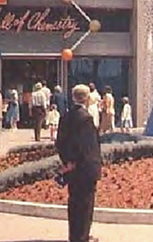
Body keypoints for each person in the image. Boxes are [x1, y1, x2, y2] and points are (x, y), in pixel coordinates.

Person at [56, 84, 103, 242]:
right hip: (85, 169)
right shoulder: (86, 119)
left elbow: (60, 143)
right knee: (86, 204)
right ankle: (82, 237)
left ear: (73, 97)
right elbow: (87, 146)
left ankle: (74, 235)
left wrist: (68, 161)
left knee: (74, 202)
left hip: (72, 168)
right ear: (87, 98)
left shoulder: (65, 117)